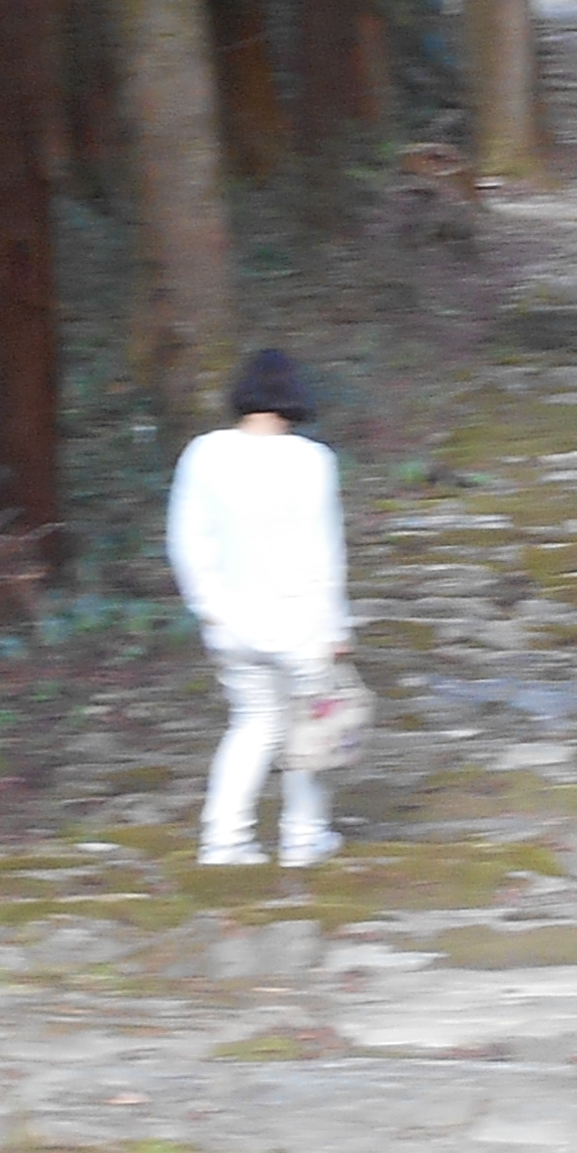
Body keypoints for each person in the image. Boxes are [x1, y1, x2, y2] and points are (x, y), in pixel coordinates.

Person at [169, 347, 349, 868]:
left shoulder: (203, 454)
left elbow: (186, 540)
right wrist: (337, 624)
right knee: (307, 732)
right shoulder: (313, 461)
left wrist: (208, 606)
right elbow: (326, 550)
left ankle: (224, 839)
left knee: (251, 725)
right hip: (302, 623)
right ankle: (302, 836)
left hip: (232, 623)